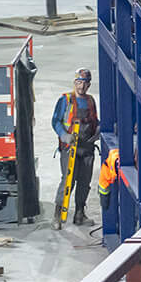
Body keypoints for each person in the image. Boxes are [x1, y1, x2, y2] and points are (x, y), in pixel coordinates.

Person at [53, 70, 99, 226]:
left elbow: (94, 121)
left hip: (87, 148)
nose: (82, 86)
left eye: (85, 83)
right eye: (79, 82)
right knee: (68, 180)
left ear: (89, 84)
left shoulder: (91, 101)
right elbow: (56, 121)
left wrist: (99, 131)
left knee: (84, 182)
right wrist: (64, 136)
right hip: (70, 147)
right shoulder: (66, 100)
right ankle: (58, 215)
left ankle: (80, 214)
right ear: (75, 83)